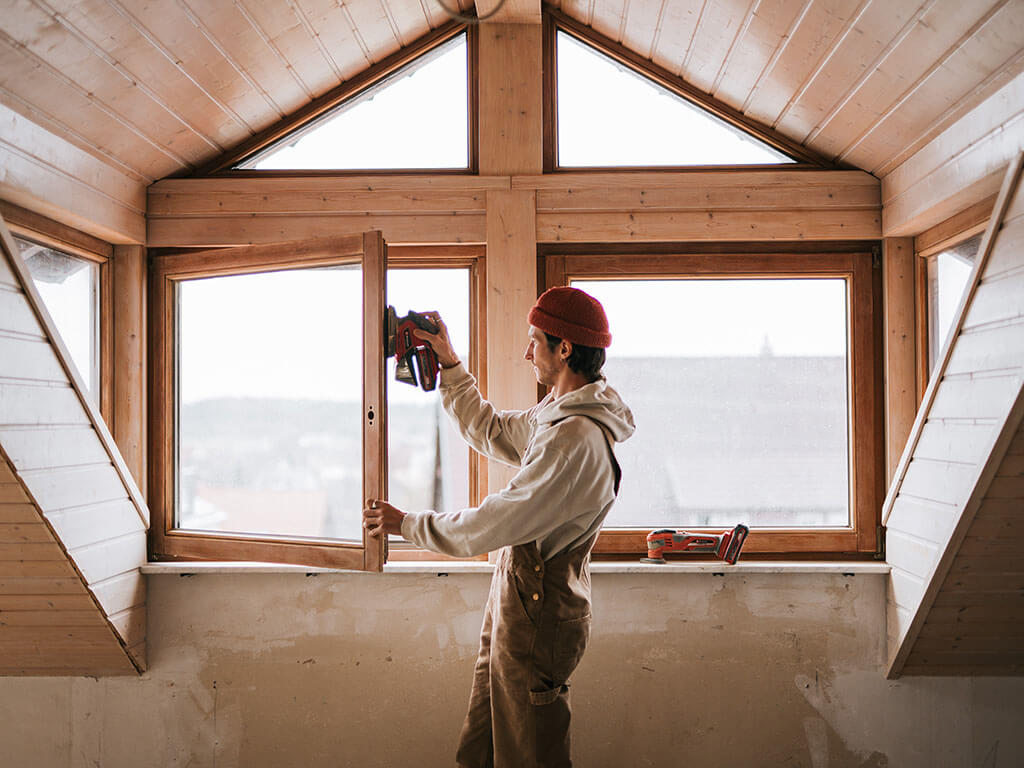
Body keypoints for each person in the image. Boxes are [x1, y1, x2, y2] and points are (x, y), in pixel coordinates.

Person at [362, 286, 635, 768]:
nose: (526, 351)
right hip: (520, 603)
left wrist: (408, 524)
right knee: (484, 748)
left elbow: (493, 523)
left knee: (527, 754)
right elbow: (491, 429)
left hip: (540, 610)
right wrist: (448, 363)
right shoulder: (558, 415)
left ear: (564, 348)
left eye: (535, 340)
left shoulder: (574, 440)